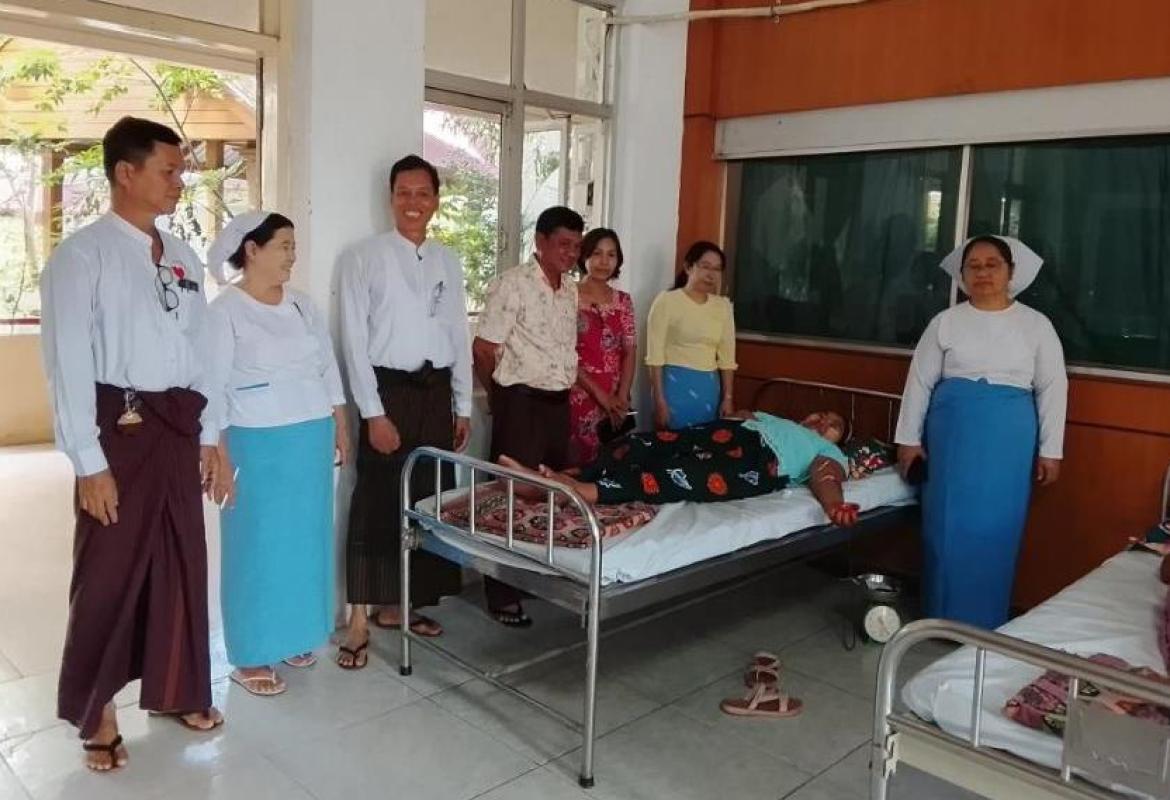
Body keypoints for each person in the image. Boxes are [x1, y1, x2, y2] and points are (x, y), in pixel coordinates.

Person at [39, 116, 223, 772]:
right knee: (109, 569)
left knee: (181, 558)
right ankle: (97, 708)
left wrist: (211, 435)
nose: (180, 182)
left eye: (181, 172)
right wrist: (88, 462)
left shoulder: (182, 256)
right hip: (118, 428)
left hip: (178, 424)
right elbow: (65, 363)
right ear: (126, 172)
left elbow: (204, 348)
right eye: (169, 171)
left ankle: (177, 687)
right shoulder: (81, 256)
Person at [201, 212, 348, 696]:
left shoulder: (302, 306)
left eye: (293, 246)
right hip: (256, 443)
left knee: (303, 543)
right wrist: (218, 454)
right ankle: (250, 653)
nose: (292, 255)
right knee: (256, 547)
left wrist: (340, 424)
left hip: (309, 438)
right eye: (284, 245)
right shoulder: (225, 311)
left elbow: (327, 369)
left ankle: (292, 636)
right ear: (252, 250)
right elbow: (212, 388)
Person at [337, 154, 474, 668]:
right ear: (390, 198)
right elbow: (353, 341)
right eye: (403, 193)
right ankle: (358, 617)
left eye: (422, 193)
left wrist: (463, 403)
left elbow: (457, 333)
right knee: (375, 500)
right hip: (387, 393)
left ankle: (402, 603)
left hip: (435, 394)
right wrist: (373, 413)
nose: (413, 203)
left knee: (427, 499)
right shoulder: (363, 257)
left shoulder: (447, 260)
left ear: (436, 200)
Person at [894, 234, 1068, 630]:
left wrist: (1051, 450)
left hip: (1008, 439)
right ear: (962, 274)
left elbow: (1053, 387)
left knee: (997, 527)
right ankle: (938, 619)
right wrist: (909, 441)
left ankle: (984, 623)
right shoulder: (945, 323)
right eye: (973, 266)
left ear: (1011, 272)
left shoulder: (1036, 326)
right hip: (951, 437)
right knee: (945, 524)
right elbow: (918, 382)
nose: (983, 273)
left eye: (992, 265)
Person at [473, 205, 584, 627]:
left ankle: (537, 579)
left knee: (553, 493)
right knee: (510, 495)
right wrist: (500, 398)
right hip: (520, 402)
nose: (570, 253)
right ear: (540, 241)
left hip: (558, 404)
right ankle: (501, 592)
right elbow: (483, 349)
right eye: (563, 244)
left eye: (576, 246)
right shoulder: (512, 284)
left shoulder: (570, 289)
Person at [499, 410, 860, 526]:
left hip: (762, 463)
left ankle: (580, 492)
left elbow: (825, 474)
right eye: (822, 413)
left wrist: (834, 505)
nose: (823, 421)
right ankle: (566, 476)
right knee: (644, 444)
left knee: (684, 476)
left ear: (838, 441)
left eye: (834, 424)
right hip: (730, 432)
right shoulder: (777, 418)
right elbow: (737, 415)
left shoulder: (828, 450)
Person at [646, 241, 737, 430]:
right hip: (674, 385)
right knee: (672, 442)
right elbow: (654, 356)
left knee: (705, 442)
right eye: (705, 266)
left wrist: (727, 398)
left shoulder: (723, 307)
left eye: (717, 269)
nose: (711, 274)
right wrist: (659, 400)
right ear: (688, 267)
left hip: (708, 387)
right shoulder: (666, 301)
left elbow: (727, 358)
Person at [570, 228, 637, 465]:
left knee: (613, 463)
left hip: (617, 395)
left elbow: (630, 350)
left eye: (611, 255)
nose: (604, 261)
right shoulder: (568, 296)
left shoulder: (624, 300)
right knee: (578, 464)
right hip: (580, 392)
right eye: (597, 253)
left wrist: (622, 395)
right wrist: (600, 395)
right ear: (584, 256)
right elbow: (563, 354)